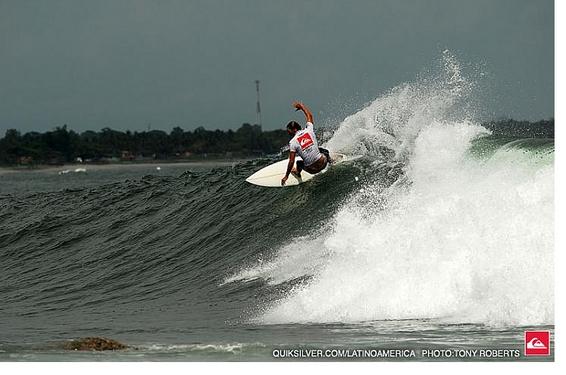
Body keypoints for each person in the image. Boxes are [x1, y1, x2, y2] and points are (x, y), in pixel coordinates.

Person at [281, 101, 331, 186]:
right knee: (324, 151)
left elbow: (291, 161)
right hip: (323, 164)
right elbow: (310, 116)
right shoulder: (309, 129)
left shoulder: (292, 142)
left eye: (288, 131)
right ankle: (331, 161)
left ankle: (297, 172)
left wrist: (286, 176)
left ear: (294, 130)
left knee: (299, 163)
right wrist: (302, 106)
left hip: (312, 170)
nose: (288, 133)